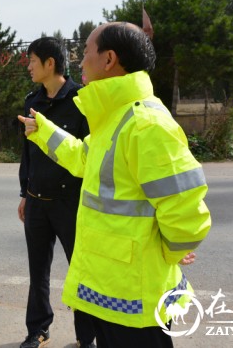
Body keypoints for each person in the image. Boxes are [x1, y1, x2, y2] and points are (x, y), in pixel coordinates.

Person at [18, 22, 211, 348]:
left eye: (86, 53)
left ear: (109, 60)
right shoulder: (117, 119)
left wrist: (166, 253)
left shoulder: (146, 123)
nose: (79, 62)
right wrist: (43, 131)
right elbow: (82, 158)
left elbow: (188, 217)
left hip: (139, 301)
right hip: (114, 296)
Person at [17, 37, 95, 348]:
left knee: (82, 272)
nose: (29, 66)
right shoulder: (32, 101)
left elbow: (89, 155)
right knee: (38, 273)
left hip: (70, 203)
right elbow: (28, 153)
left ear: (51, 63)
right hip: (37, 202)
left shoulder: (81, 99)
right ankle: (37, 329)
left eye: (33, 60)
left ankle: (86, 337)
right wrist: (25, 192)